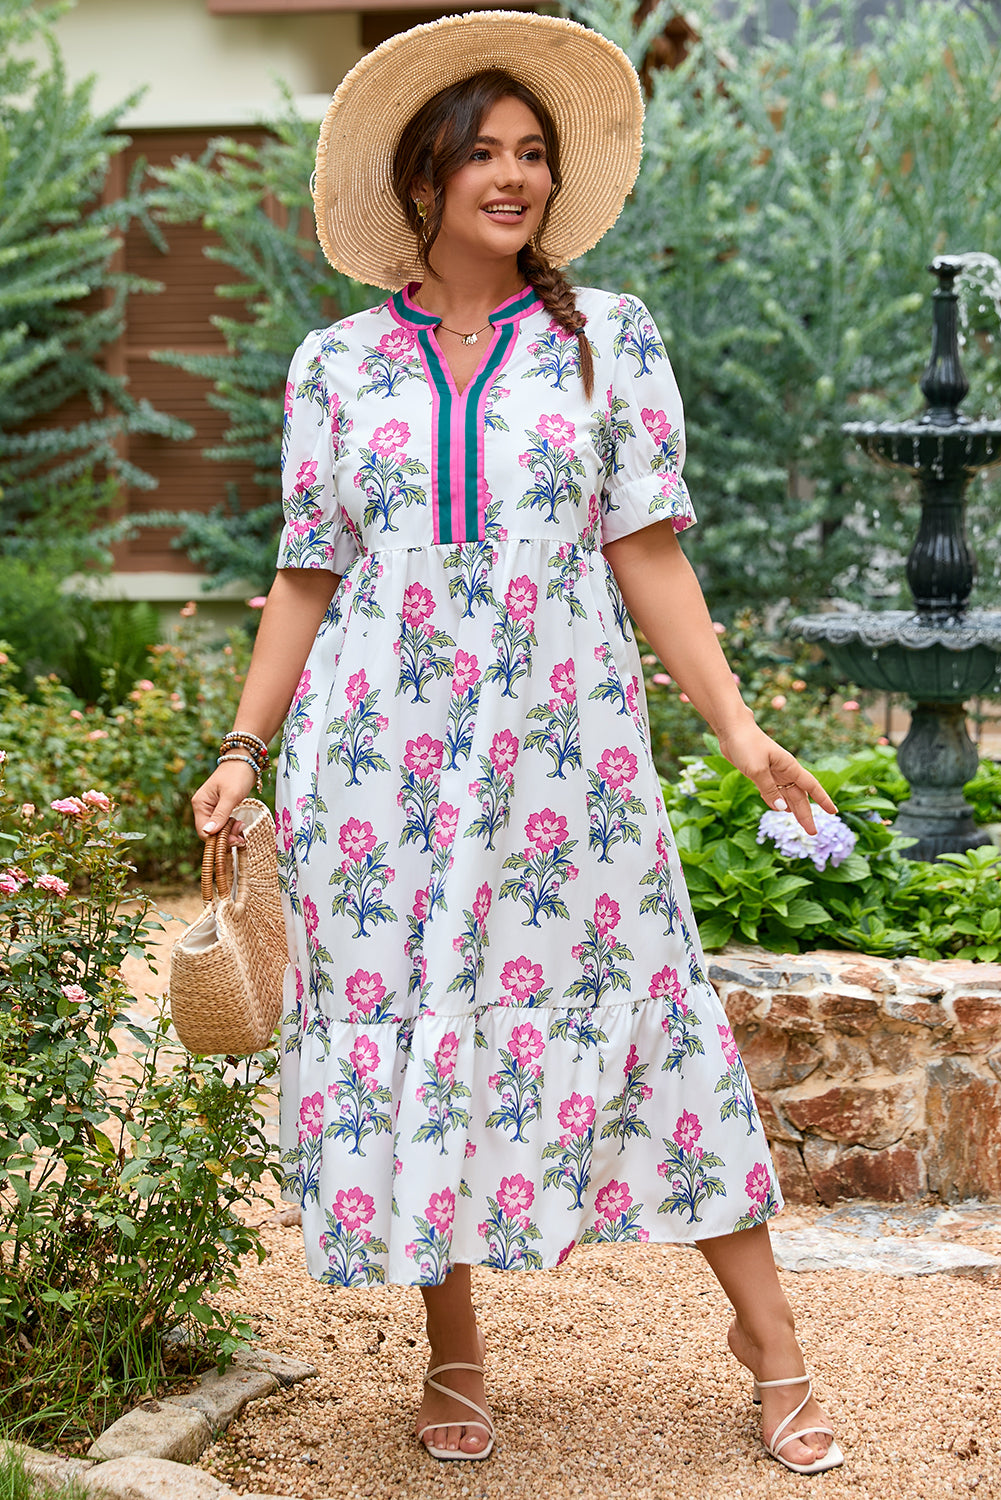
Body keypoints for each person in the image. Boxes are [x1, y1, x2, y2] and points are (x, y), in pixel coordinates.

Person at [191, 10, 843, 1476]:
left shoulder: (607, 339)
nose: (513, 176)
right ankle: (454, 1349)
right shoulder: (336, 365)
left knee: (646, 1000)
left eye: (532, 153)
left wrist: (741, 732)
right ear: (422, 179)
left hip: (565, 755)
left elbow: (647, 551)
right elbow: (305, 574)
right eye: (481, 153)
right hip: (377, 759)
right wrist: (242, 746)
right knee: (417, 1016)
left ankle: (772, 1342)